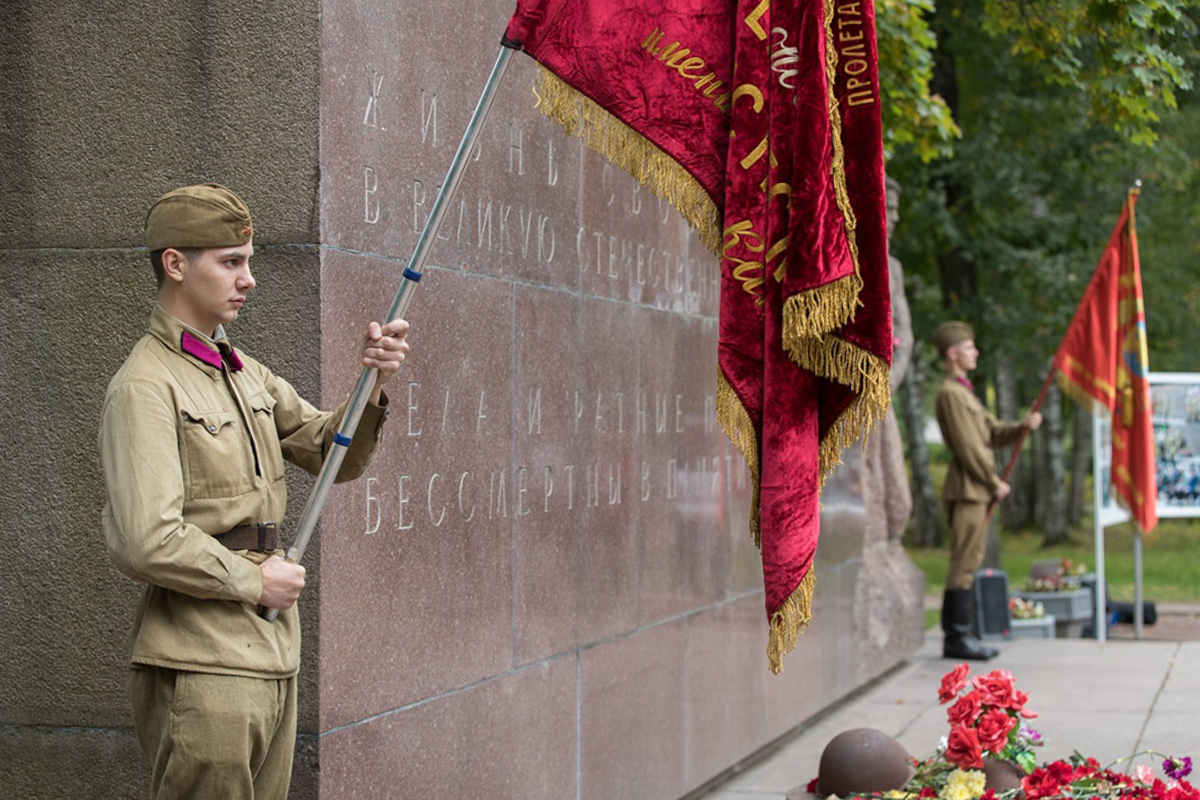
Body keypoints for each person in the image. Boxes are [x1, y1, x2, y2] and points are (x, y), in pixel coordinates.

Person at [99, 184, 410, 798]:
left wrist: (372, 379)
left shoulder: (241, 370)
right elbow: (146, 540)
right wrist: (253, 581)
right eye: (231, 262)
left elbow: (330, 453)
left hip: (266, 650)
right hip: (202, 659)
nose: (250, 279)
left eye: (250, 261)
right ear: (176, 263)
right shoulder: (145, 385)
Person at [932, 321, 1041, 660]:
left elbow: (990, 433)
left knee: (971, 560)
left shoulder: (965, 391)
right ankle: (956, 638)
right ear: (953, 354)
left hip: (976, 489)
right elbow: (968, 448)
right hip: (968, 488)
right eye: (969, 347)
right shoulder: (950, 393)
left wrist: (1021, 427)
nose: (975, 352)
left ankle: (961, 635)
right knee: (963, 563)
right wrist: (994, 482)